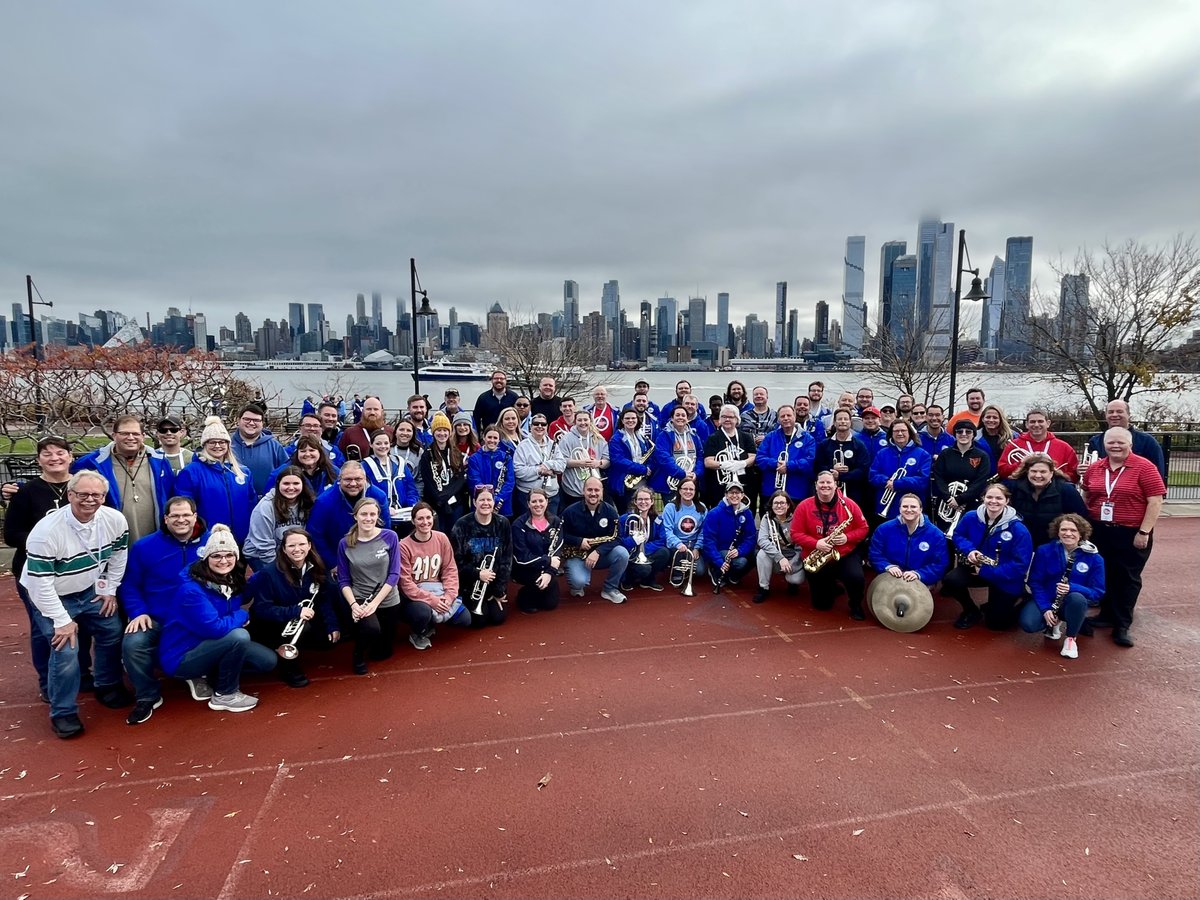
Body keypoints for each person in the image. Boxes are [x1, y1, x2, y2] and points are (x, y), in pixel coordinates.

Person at [21, 471, 133, 737]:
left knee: (111, 631)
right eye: (82, 494)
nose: (89, 500)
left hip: (89, 589)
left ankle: (107, 685)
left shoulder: (114, 520)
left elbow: (118, 555)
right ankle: (63, 712)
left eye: (96, 495)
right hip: (52, 595)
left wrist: (109, 589)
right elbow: (40, 584)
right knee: (66, 649)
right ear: (69, 495)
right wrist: (61, 621)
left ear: (104, 497)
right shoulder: (46, 532)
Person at [159, 524, 278, 713]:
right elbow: (215, 628)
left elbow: (243, 595)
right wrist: (242, 614)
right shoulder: (191, 591)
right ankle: (225, 694)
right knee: (239, 636)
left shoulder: (228, 579)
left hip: (212, 644)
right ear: (206, 558)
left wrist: (266, 573)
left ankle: (214, 673)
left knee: (267, 661)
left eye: (229, 555)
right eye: (216, 555)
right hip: (183, 655)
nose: (223, 561)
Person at [120, 497, 209, 724]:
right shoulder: (144, 547)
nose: (181, 520)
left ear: (195, 516)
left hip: (196, 618)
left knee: (225, 637)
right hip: (156, 616)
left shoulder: (211, 543)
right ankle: (147, 694)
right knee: (133, 644)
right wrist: (138, 611)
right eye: (175, 516)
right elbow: (130, 585)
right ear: (166, 519)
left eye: (186, 515)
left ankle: (195, 674)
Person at [1080, 426, 1166, 648]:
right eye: (1111, 442)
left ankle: (1122, 624)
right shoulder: (1096, 467)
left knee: (1127, 578)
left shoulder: (1144, 467)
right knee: (1104, 573)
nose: (1115, 446)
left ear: (1130, 444)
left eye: (1120, 442)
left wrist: (1144, 531)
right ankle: (1106, 614)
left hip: (1131, 530)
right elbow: (1087, 492)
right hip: (1100, 529)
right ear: (1104, 445)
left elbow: (1155, 501)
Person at [4, 435, 75, 703]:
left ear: (70, 457)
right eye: (48, 454)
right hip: (33, 571)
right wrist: (46, 544)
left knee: (77, 623)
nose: (55, 458)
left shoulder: (81, 487)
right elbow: (12, 534)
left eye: (60, 453)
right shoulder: (27, 492)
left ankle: (81, 675)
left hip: (74, 570)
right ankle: (47, 680)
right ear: (39, 460)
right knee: (43, 627)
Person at [245, 528, 341, 687]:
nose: (297, 549)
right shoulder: (268, 573)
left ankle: (295, 647)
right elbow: (262, 609)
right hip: (271, 624)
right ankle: (287, 666)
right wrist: (296, 611)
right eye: (291, 546)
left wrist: (332, 625)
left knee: (327, 642)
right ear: (283, 548)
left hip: (300, 618)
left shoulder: (317, 567)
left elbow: (323, 599)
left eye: (302, 544)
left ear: (309, 545)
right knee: (304, 627)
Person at [73, 414, 176, 543]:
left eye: (135, 434)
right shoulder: (93, 463)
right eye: (125, 433)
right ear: (114, 435)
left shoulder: (159, 462)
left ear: (143, 436)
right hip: (109, 539)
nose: (131, 438)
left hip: (153, 540)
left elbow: (171, 496)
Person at [943, 484, 1034, 631]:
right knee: (951, 581)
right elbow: (958, 535)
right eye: (989, 497)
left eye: (999, 498)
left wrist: (986, 572)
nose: (993, 501)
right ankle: (972, 610)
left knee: (996, 624)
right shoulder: (971, 516)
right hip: (976, 567)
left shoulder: (1019, 529)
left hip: (1004, 576)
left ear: (1007, 500)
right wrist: (970, 551)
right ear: (983, 498)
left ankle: (1024, 600)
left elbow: (1020, 565)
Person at [1020, 514, 1106, 660]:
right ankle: (1053, 622)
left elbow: (1098, 592)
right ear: (1057, 532)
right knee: (1029, 624)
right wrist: (1045, 608)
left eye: (1073, 530)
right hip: (1047, 598)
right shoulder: (1044, 551)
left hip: (1072, 602)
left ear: (1081, 534)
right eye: (1063, 529)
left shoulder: (1094, 558)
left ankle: (1071, 639)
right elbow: (1035, 582)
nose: (1068, 533)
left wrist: (1072, 587)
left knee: (1077, 599)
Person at [336, 495, 406, 672]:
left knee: (383, 653)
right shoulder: (345, 543)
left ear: (378, 516)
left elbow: (394, 574)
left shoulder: (390, 537)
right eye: (364, 514)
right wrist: (354, 605)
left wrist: (375, 604)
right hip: (361, 597)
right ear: (355, 516)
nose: (368, 518)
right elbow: (343, 579)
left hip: (388, 598)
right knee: (372, 629)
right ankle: (357, 654)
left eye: (372, 514)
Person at [791, 471, 870, 619]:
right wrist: (816, 543)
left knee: (856, 577)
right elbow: (795, 534)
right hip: (817, 554)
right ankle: (832, 587)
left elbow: (864, 529)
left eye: (829, 482)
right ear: (816, 485)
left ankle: (855, 604)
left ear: (836, 485)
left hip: (844, 552)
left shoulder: (849, 505)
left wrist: (847, 537)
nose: (825, 485)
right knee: (822, 605)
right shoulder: (804, 506)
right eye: (822, 482)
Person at [174, 416, 257, 543]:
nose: (217, 446)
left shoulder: (243, 472)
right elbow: (184, 509)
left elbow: (252, 504)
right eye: (212, 442)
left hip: (242, 540)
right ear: (204, 444)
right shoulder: (191, 472)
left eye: (222, 442)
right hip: (208, 540)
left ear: (228, 444)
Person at [399, 502, 468, 650]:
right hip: (415, 596)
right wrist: (433, 601)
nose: (425, 522)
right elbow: (406, 584)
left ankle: (431, 622)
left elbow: (450, 570)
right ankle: (417, 632)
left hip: (439, 590)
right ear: (413, 521)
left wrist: (449, 597)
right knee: (422, 614)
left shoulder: (441, 538)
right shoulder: (404, 546)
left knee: (465, 619)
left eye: (428, 517)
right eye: (420, 519)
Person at [307, 462, 392, 570]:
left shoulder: (379, 497)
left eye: (358, 479)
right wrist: (332, 563)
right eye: (348, 479)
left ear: (365, 478)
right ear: (339, 479)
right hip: (337, 560)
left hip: (371, 558)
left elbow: (384, 529)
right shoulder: (324, 502)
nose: (353, 483)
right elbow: (315, 535)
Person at [561, 476, 630, 603]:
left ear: (602, 491)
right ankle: (576, 583)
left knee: (622, 553)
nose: (593, 493)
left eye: (597, 490)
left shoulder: (610, 511)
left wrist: (598, 552)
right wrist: (579, 541)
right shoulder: (569, 511)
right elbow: (561, 535)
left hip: (600, 556)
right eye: (589, 490)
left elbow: (617, 538)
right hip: (577, 554)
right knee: (578, 583)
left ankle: (609, 589)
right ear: (583, 491)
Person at [450, 487, 512, 627]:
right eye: (481, 500)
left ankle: (491, 597)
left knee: (498, 618)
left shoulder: (502, 523)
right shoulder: (461, 525)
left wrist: (499, 590)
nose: (486, 503)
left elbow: (506, 560)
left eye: (489, 499)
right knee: (479, 622)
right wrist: (477, 574)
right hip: (469, 584)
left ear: (494, 502)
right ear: (474, 502)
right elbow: (455, 563)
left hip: (494, 583)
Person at [868, 494, 950, 594]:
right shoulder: (883, 529)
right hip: (890, 575)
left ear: (921, 509)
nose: (909, 509)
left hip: (920, 579)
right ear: (899, 509)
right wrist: (888, 566)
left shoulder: (936, 535)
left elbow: (940, 563)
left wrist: (919, 574)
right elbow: (875, 554)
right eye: (905, 506)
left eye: (913, 507)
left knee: (914, 604)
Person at [1004, 452, 1088, 548]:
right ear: (1027, 471)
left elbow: (1081, 520)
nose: (1038, 475)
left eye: (1043, 472)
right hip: (1018, 543)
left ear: (1051, 473)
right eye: (1034, 471)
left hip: (1054, 546)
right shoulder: (1012, 487)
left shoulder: (1066, 490)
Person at [245, 468, 316, 573]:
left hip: (292, 551)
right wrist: (278, 571)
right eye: (286, 483)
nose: (291, 488)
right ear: (278, 484)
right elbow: (263, 545)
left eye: (296, 483)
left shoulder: (308, 503)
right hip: (261, 554)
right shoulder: (265, 507)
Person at [931, 420, 991, 533]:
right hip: (947, 503)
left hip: (970, 504)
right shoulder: (945, 454)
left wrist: (960, 499)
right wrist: (949, 498)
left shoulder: (982, 456)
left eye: (968, 431)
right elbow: (938, 477)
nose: (964, 434)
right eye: (959, 431)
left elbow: (981, 481)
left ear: (973, 434)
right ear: (955, 434)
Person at [1084, 400, 1166, 481]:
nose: (1114, 415)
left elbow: (1158, 474)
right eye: (1111, 412)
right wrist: (1081, 471)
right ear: (1106, 415)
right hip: (1102, 491)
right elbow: (1089, 476)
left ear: (1129, 415)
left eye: (1119, 411)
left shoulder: (1148, 441)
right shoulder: (1095, 441)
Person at [511, 488, 564, 613]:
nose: (538, 504)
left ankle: (539, 590)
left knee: (550, 604)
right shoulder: (518, 525)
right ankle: (523, 594)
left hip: (547, 568)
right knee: (530, 605)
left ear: (547, 501)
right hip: (526, 569)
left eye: (541, 501)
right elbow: (521, 557)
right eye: (534, 502)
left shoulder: (556, 521)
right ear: (528, 504)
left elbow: (557, 549)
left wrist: (549, 573)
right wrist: (548, 561)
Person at [868, 420, 932, 523]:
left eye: (903, 430)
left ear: (909, 433)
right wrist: (886, 481)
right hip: (885, 508)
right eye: (896, 431)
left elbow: (923, 480)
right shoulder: (882, 453)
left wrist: (897, 483)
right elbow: (872, 475)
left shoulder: (923, 454)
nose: (900, 433)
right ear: (891, 434)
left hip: (912, 510)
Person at [699, 482, 757, 592]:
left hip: (736, 551)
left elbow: (750, 537)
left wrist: (740, 551)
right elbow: (708, 541)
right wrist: (718, 562)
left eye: (738, 492)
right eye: (731, 492)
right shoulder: (714, 513)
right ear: (726, 494)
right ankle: (715, 569)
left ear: (742, 495)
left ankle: (734, 576)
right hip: (719, 551)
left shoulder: (747, 513)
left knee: (756, 554)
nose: (734, 495)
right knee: (740, 562)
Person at [755, 405, 816, 506]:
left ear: (794, 417)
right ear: (778, 419)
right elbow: (760, 458)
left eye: (789, 415)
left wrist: (789, 466)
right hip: (771, 491)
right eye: (782, 416)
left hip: (797, 492)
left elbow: (809, 461)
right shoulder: (770, 437)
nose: (786, 418)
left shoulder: (808, 439)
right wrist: (776, 464)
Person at [997, 409, 1079, 483]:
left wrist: (1058, 473)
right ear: (1026, 424)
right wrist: (1022, 463)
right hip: (1021, 489)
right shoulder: (1013, 445)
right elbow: (1002, 472)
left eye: (1040, 421)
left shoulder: (1064, 447)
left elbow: (1075, 477)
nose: (1036, 425)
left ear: (1048, 423)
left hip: (1055, 490)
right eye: (1032, 422)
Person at [420, 412, 470, 531]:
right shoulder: (427, 454)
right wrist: (440, 498)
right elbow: (428, 480)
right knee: (439, 533)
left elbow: (460, 478)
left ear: (449, 432)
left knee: (454, 535)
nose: (442, 434)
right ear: (433, 432)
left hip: (454, 502)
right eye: (439, 430)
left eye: (445, 430)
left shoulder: (455, 452)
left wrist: (446, 495)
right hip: (436, 503)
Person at [362, 429, 419, 531]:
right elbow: (365, 494)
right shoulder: (364, 466)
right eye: (378, 443)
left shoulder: (400, 463)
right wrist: (383, 508)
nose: (383, 446)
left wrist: (412, 504)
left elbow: (411, 488)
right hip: (379, 518)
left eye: (386, 443)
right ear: (371, 445)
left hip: (403, 515)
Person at [753, 491, 805, 603]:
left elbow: (801, 546)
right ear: (771, 505)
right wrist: (780, 558)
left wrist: (792, 563)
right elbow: (762, 540)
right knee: (761, 554)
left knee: (796, 579)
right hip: (776, 557)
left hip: (793, 558)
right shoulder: (767, 519)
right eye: (776, 503)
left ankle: (792, 583)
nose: (779, 506)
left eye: (782, 503)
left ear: (788, 505)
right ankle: (763, 588)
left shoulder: (797, 519)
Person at [702, 404, 757, 509]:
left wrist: (742, 463)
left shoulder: (746, 437)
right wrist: (723, 464)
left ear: (737, 419)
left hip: (744, 484)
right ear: (720, 419)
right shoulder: (713, 438)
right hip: (720, 486)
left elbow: (753, 457)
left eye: (731, 417)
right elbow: (708, 462)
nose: (727, 419)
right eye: (724, 416)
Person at [814, 409, 871, 509]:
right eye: (839, 419)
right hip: (828, 492)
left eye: (846, 419)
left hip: (853, 492)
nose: (843, 421)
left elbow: (863, 470)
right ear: (834, 423)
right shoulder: (824, 444)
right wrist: (831, 470)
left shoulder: (859, 445)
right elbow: (817, 466)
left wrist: (841, 476)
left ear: (850, 423)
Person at [230, 403, 289, 499]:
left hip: (267, 501)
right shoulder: (226, 445)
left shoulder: (274, 446)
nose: (251, 423)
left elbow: (286, 472)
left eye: (256, 420)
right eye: (247, 419)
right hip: (234, 501)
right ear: (238, 420)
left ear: (262, 424)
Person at [513, 411, 566, 518]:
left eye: (543, 424)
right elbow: (518, 471)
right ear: (530, 427)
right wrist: (539, 470)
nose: (540, 426)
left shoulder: (553, 444)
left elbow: (562, 465)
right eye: (536, 424)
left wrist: (547, 464)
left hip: (551, 496)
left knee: (550, 528)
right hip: (528, 496)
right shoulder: (522, 446)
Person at [618, 486, 670, 591]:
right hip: (629, 555)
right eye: (640, 499)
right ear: (635, 502)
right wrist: (633, 541)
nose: (643, 502)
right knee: (644, 569)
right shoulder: (625, 519)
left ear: (652, 502)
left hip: (645, 553)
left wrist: (642, 549)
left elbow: (662, 540)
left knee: (664, 553)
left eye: (646, 499)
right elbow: (619, 541)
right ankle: (627, 579)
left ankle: (648, 580)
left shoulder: (657, 519)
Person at [661, 475, 708, 584]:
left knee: (700, 572)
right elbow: (667, 530)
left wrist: (697, 547)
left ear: (695, 491)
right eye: (685, 489)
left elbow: (703, 531)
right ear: (679, 491)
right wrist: (678, 544)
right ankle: (678, 570)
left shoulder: (702, 508)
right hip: (676, 546)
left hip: (693, 545)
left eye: (691, 489)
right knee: (677, 556)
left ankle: (686, 568)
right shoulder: (670, 507)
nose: (688, 491)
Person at [557, 410, 610, 505]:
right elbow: (561, 461)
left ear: (590, 421)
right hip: (573, 489)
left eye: (585, 420)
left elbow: (608, 460)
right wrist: (581, 463)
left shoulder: (599, 439)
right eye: (579, 420)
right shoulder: (566, 439)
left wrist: (598, 463)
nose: (583, 423)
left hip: (594, 489)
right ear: (575, 422)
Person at [649, 406, 700, 502]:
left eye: (683, 415)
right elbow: (663, 458)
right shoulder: (663, 435)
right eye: (677, 415)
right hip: (671, 483)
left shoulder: (694, 435)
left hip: (690, 480)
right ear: (672, 418)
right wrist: (681, 473)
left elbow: (700, 456)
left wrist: (696, 473)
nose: (680, 417)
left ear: (687, 419)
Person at [609, 408, 654, 511]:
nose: (630, 420)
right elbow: (618, 460)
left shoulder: (641, 437)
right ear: (622, 421)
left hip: (641, 482)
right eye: (627, 418)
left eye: (633, 418)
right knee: (627, 515)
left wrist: (649, 467)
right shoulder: (616, 439)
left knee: (642, 512)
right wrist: (643, 469)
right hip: (624, 484)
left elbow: (649, 456)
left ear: (638, 420)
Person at [466, 425, 516, 517]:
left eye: (495, 438)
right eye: (489, 437)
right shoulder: (474, 458)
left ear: (499, 440)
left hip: (502, 506)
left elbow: (510, 481)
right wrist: (488, 499)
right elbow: (474, 481)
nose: (492, 440)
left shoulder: (506, 457)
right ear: (484, 437)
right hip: (482, 504)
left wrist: (498, 498)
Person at [268, 434, 340, 495]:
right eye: (303, 451)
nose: (307, 454)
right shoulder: (282, 472)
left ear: (320, 452)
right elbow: (270, 496)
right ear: (297, 453)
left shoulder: (333, 471)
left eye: (312, 450)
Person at [338, 396, 393, 461]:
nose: (372, 412)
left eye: (376, 409)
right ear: (363, 411)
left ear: (381, 411)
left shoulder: (390, 431)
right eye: (369, 409)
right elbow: (340, 459)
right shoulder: (350, 433)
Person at [472, 370, 518, 434]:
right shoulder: (483, 398)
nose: (499, 380)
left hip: (509, 435)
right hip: (490, 436)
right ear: (492, 380)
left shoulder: (514, 397)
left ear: (506, 381)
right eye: (496, 378)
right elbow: (476, 419)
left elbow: (519, 417)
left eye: (501, 379)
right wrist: (477, 437)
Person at [976, 404, 1015, 476]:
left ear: (1000, 419)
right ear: (982, 419)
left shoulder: (1013, 437)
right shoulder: (974, 438)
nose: (991, 420)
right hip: (983, 478)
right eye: (988, 417)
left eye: (995, 418)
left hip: (1008, 478)